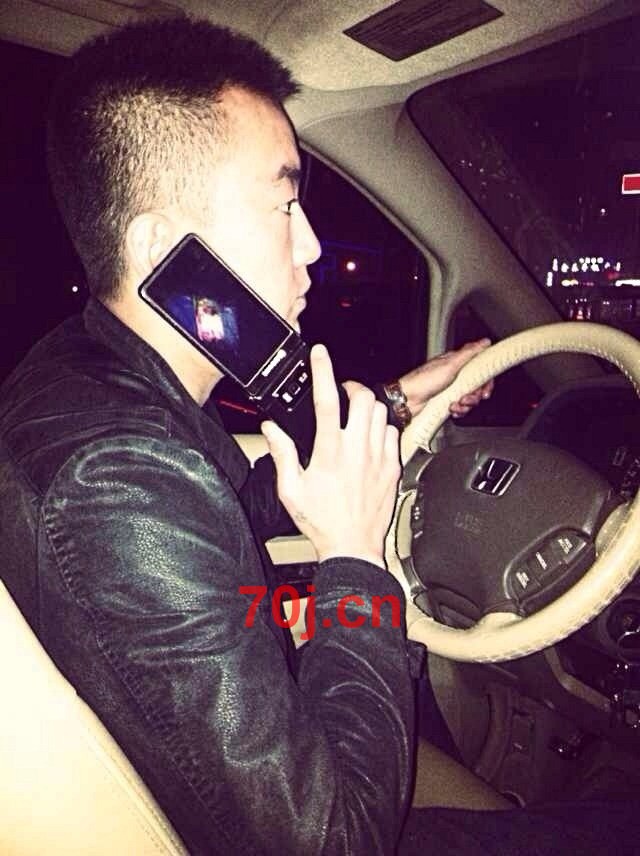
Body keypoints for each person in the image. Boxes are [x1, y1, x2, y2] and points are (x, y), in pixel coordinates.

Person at [12, 15, 629, 856]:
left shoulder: (94, 376)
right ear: (163, 249)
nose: (310, 247)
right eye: (283, 203)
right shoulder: (115, 479)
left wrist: (396, 403)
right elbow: (331, 841)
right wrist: (354, 555)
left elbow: (223, 510)